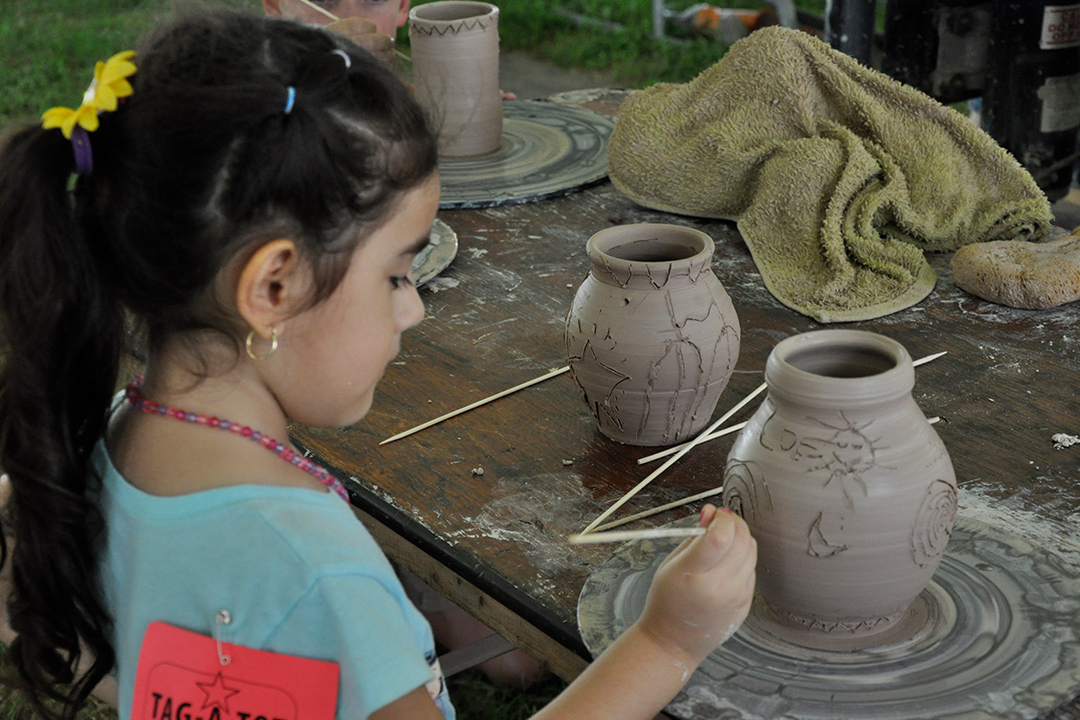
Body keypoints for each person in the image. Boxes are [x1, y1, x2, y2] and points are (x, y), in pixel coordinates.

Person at [0, 9, 756, 720]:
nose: (413, 308)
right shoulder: (320, 570)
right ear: (273, 287)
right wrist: (665, 642)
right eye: (397, 273)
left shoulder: (114, 439)